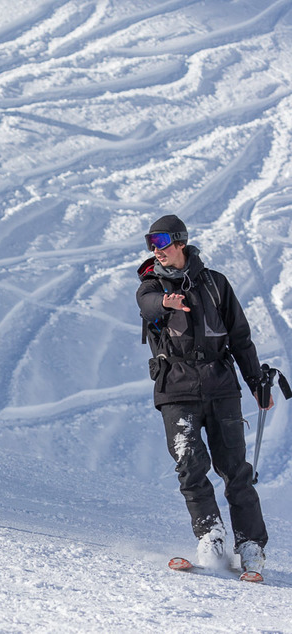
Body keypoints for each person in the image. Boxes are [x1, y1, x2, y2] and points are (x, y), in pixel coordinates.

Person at [136, 214, 270, 578]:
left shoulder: (216, 284)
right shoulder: (150, 286)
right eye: (151, 243)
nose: (155, 250)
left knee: (235, 469)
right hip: (175, 388)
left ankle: (250, 545)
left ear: (180, 242)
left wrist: (256, 380)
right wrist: (168, 304)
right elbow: (148, 306)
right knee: (190, 466)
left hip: (221, 385)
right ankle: (210, 535)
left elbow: (240, 337)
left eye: (161, 241)